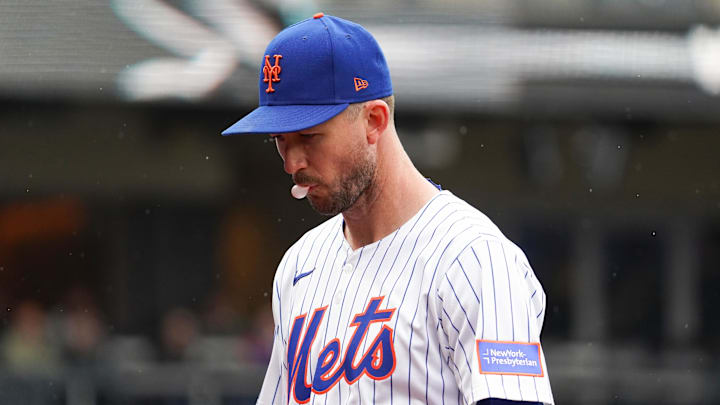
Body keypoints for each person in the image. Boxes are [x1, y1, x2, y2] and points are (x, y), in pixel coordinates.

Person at [222, 13, 554, 405]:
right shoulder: (299, 265)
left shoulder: (475, 258)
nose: (291, 163)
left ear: (374, 121)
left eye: (310, 136)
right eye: (280, 139)